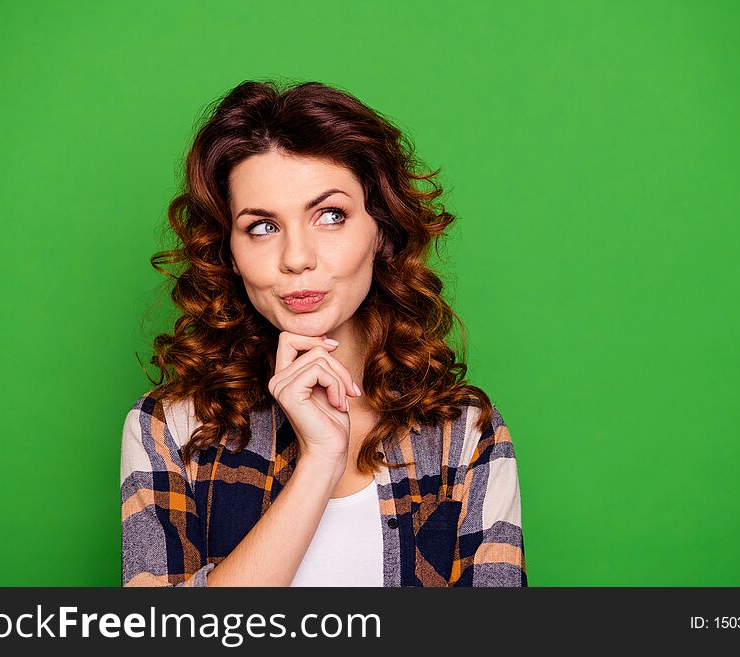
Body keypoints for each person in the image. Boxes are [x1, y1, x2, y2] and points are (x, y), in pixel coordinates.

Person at [120, 79, 527, 587]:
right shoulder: (172, 428)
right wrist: (319, 462)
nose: (295, 258)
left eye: (330, 216)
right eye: (262, 226)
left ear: (381, 228)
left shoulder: (464, 435)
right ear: (229, 250)